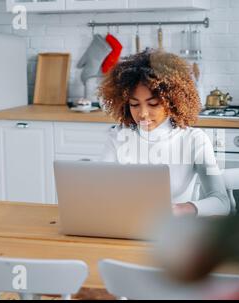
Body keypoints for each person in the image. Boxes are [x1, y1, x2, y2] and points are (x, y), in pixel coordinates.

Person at [98, 49, 230, 217]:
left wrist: (178, 209)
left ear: (173, 102)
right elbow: (99, 190)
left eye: (152, 104)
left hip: (173, 231)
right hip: (125, 225)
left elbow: (221, 202)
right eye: (134, 104)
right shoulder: (118, 136)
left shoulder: (194, 140)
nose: (143, 113)